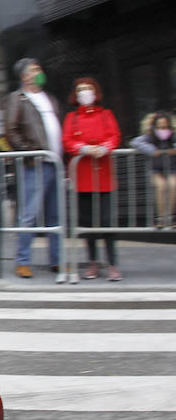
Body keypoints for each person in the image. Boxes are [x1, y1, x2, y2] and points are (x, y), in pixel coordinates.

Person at [4, 58, 63, 278]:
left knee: (55, 216)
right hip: (36, 164)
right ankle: (23, 261)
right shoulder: (18, 99)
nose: (39, 73)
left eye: (40, 68)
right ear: (24, 76)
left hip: (55, 164)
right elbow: (11, 130)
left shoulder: (50, 99)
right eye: (34, 70)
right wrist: (32, 151)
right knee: (29, 214)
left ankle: (57, 260)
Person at [63, 78, 121, 281]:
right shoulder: (72, 118)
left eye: (88, 88)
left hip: (104, 175)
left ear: (96, 92)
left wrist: (105, 147)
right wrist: (84, 148)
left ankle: (113, 264)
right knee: (87, 224)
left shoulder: (106, 114)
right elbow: (67, 140)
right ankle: (93, 263)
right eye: (80, 89)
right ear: (75, 95)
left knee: (107, 223)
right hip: (83, 176)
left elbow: (115, 135)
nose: (85, 92)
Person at [131, 112, 176, 228]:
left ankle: (171, 217)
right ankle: (160, 218)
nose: (163, 130)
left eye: (165, 127)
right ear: (154, 127)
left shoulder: (173, 136)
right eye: (160, 127)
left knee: (173, 185)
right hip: (156, 169)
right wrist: (152, 150)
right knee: (160, 187)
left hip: (172, 169)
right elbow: (135, 142)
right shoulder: (150, 137)